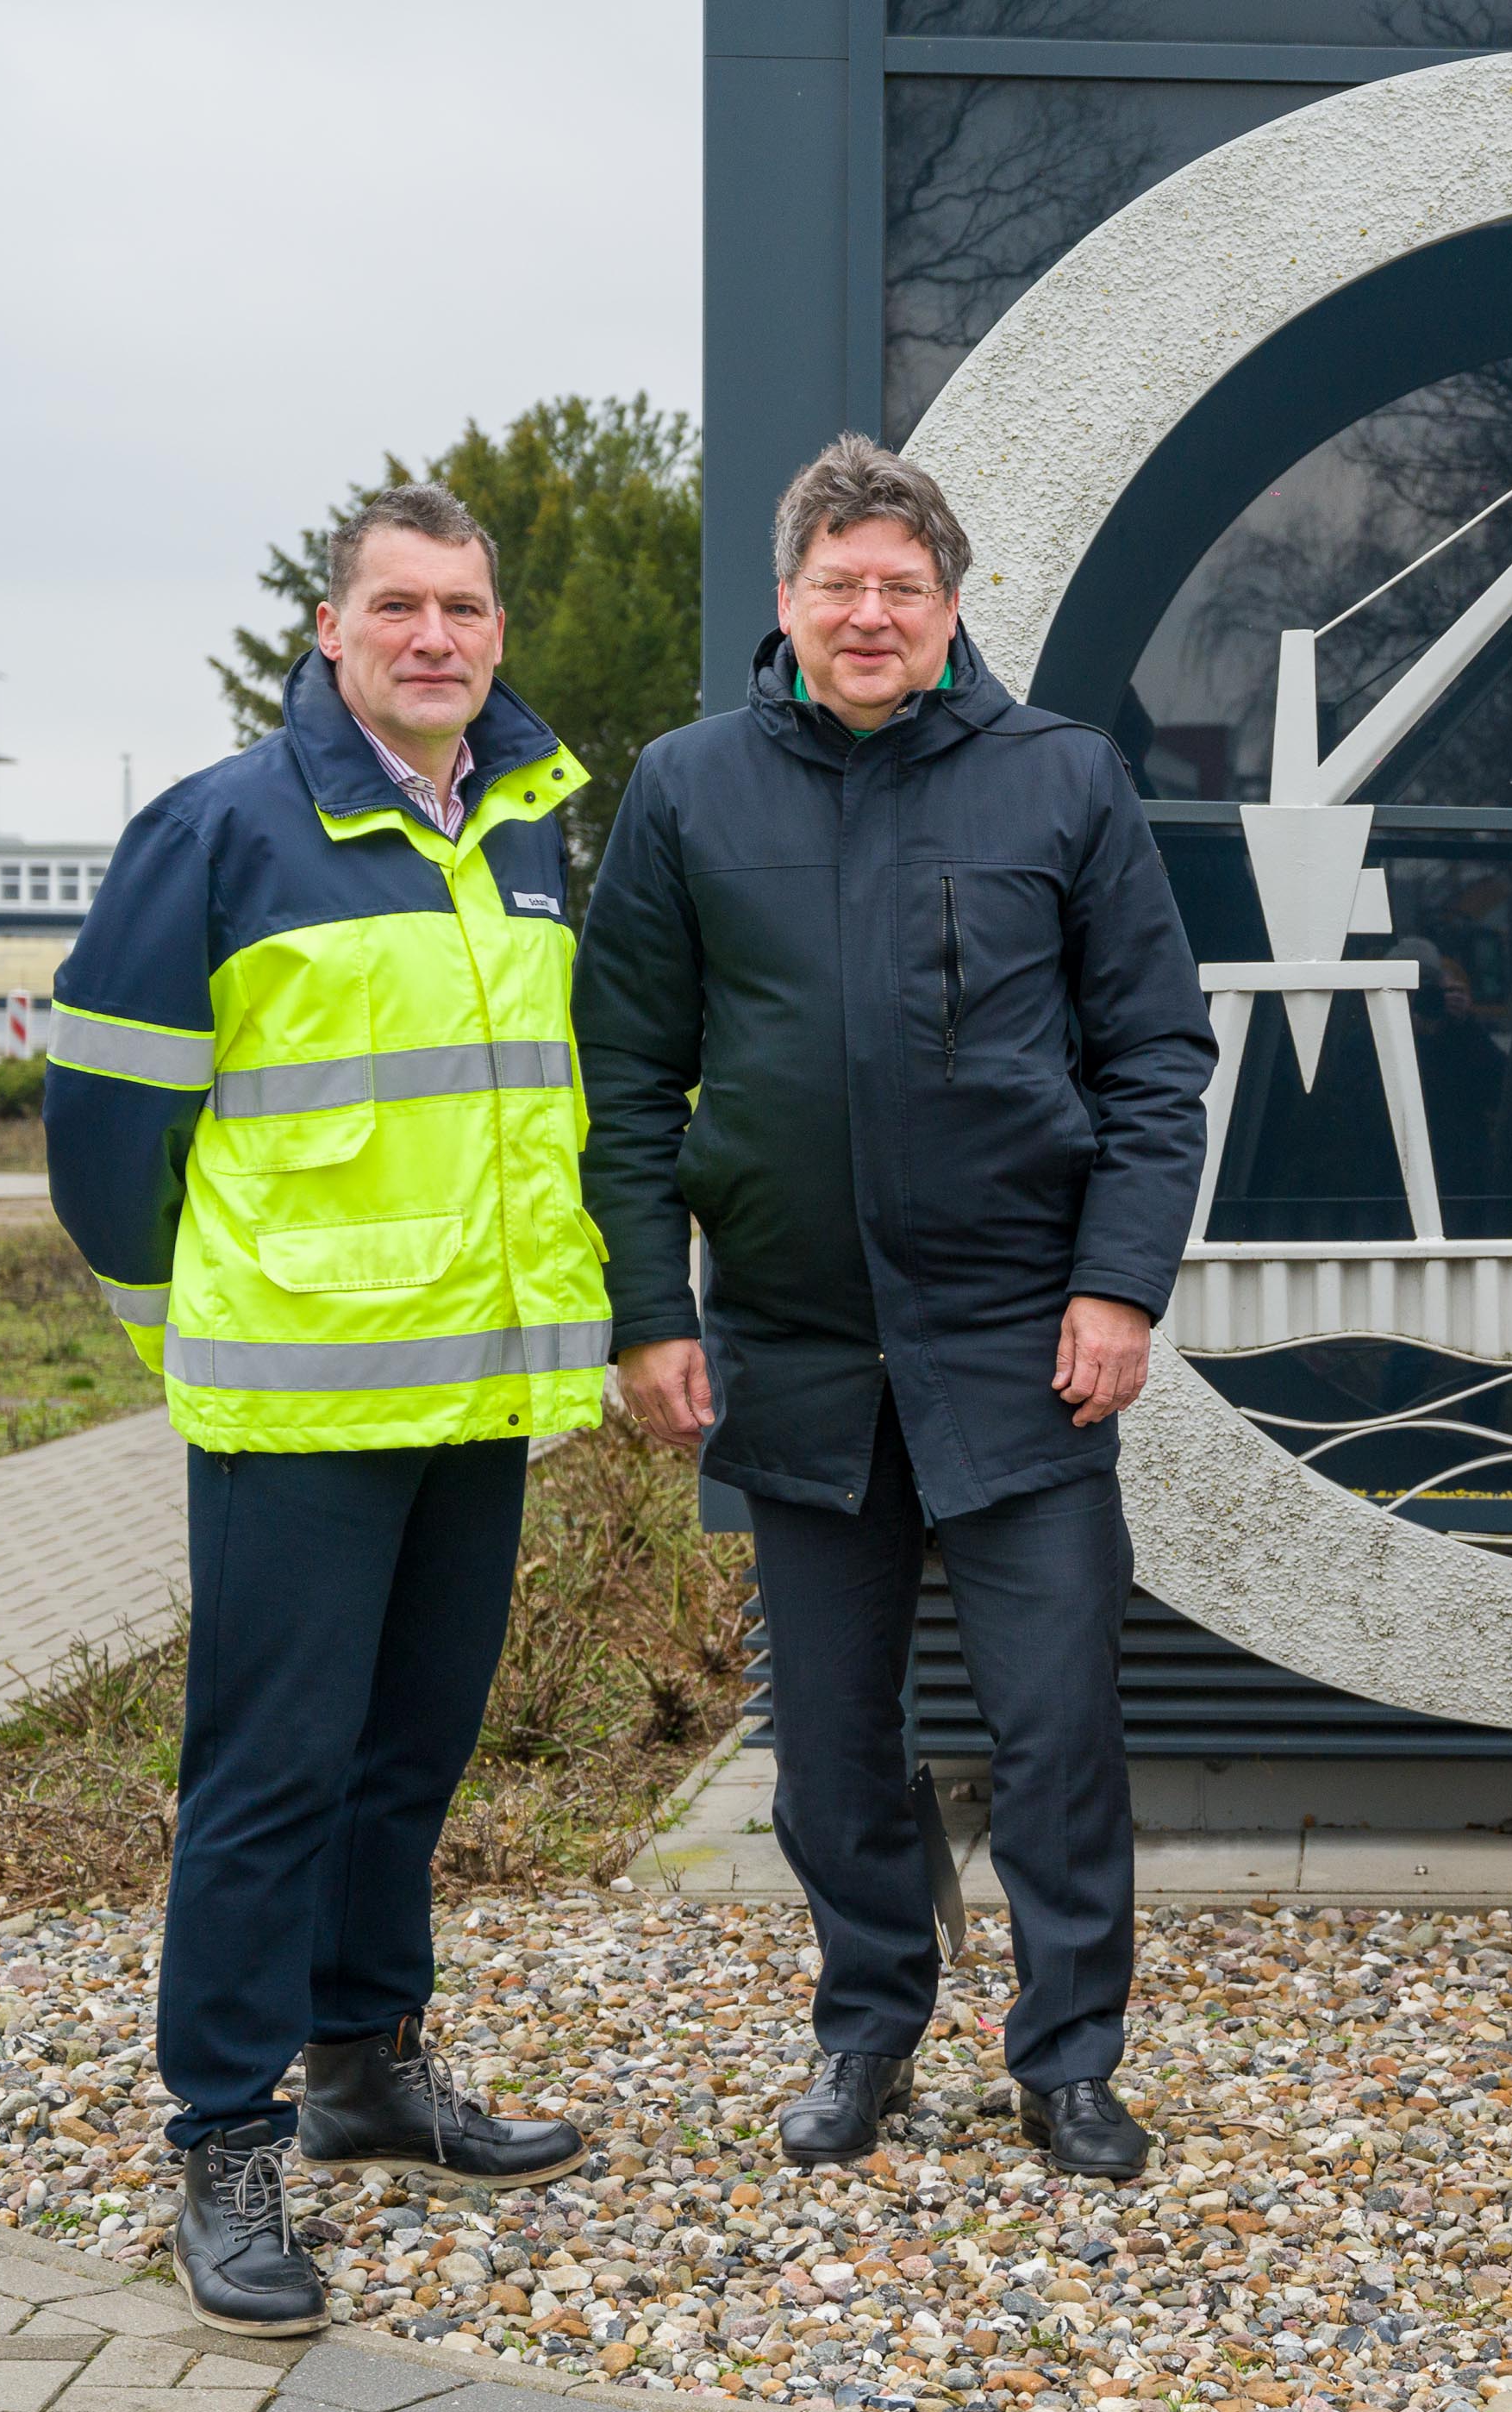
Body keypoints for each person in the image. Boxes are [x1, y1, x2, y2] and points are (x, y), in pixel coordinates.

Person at [576, 437, 1214, 2179]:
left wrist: (1117, 1281)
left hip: (1022, 1341)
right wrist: (650, 1305)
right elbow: (627, 1070)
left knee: (1055, 1724)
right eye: (837, 585)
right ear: (784, 605)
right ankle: (866, 2027)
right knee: (833, 1743)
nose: (870, 614)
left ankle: (1067, 2057)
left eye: (902, 588)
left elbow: (1155, 1055)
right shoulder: (685, 789)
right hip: (792, 1343)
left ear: (950, 609)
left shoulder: (1061, 781)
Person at [45, 484, 597, 2334]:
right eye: (399, 606)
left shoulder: (525, 825)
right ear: (329, 627)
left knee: (406, 1754)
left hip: (476, 1394)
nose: (435, 635)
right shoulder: (219, 830)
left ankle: (365, 2067)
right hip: (297, 1403)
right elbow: (111, 1129)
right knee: (266, 1780)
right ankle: (224, 2134)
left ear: (494, 634)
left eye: (464, 607)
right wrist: (179, 1325)